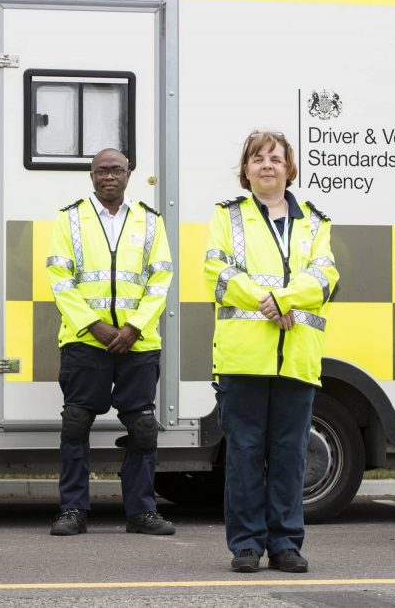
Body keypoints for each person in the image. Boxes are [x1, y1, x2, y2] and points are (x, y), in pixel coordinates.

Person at [204, 130, 338, 574]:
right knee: (243, 453)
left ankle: (285, 545)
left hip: (297, 357)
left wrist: (284, 300)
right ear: (245, 170)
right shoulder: (228, 217)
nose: (266, 164)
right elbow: (217, 272)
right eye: (257, 158)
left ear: (289, 168)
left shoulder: (315, 221)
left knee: (289, 454)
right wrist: (270, 300)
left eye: (275, 158)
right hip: (243, 356)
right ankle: (245, 545)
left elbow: (325, 277)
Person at [45, 148, 175, 537]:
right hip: (86, 343)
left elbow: (160, 279)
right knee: (76, 423)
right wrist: (93, 324)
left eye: (116, 170)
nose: (109, 176)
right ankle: (72, 510)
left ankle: (141, 512)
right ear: (91, 174)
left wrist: (134, 327)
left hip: (138, 343)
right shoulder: (69, 219)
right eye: (101, 170)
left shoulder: (151, 223)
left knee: (144, 428)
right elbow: (60, 279)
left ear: (129, 174)